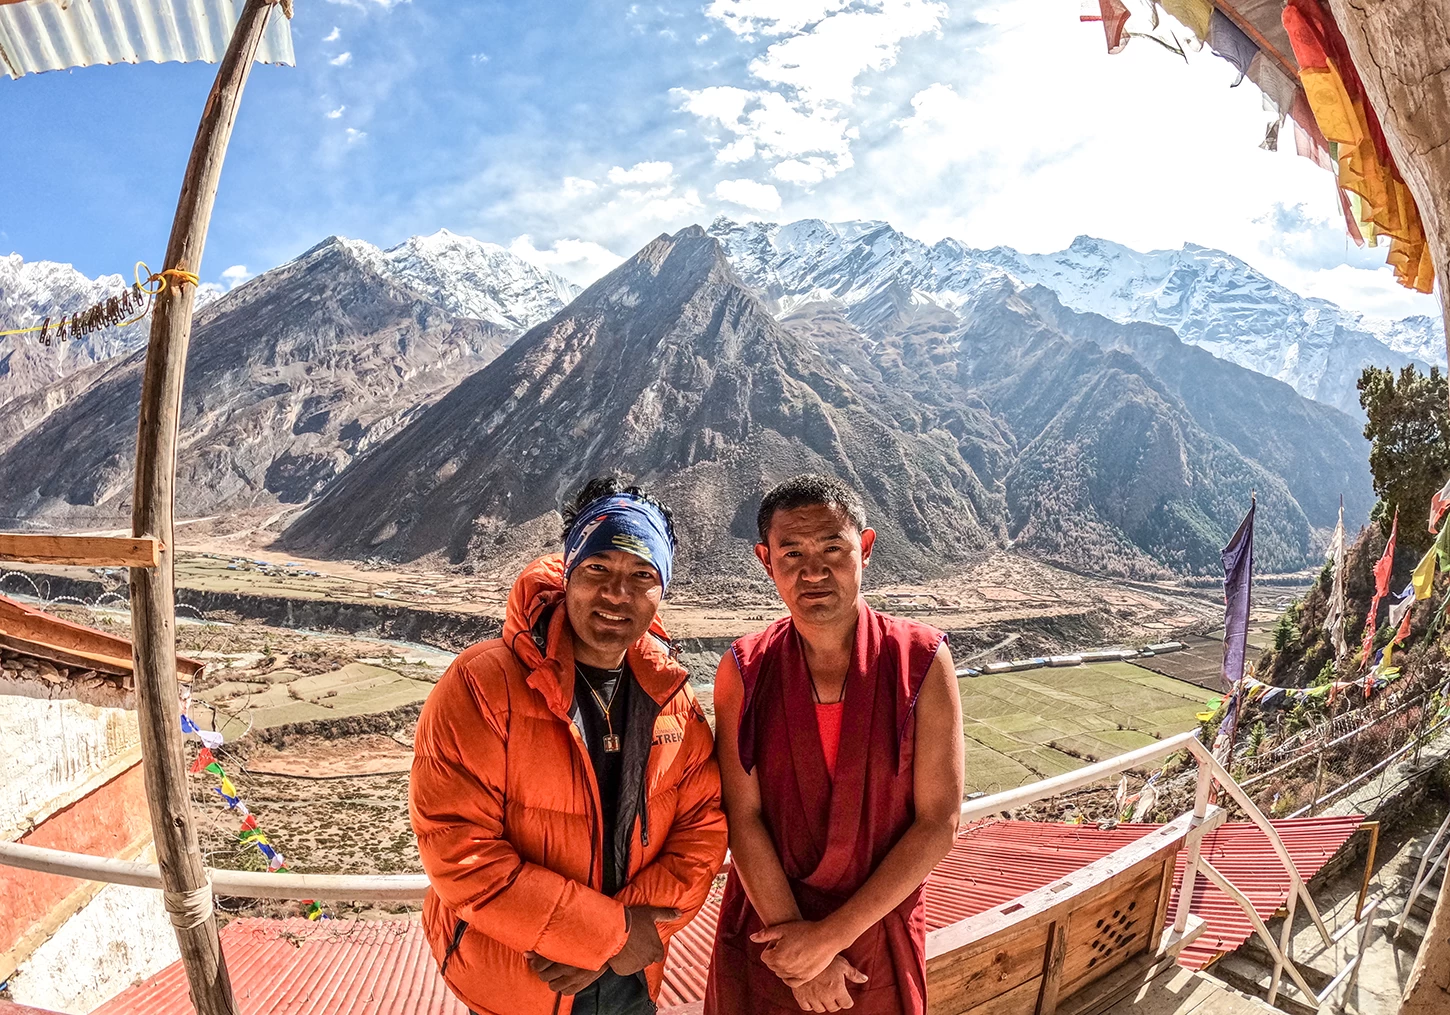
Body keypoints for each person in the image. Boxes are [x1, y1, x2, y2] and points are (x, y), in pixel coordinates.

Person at [411, 478, 727, 1015]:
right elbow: (457, 848)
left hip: (632, 982)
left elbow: (702, 829)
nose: (615, 594)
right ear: (569, 574)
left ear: (662, 590)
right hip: (519, 983)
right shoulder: (481, 686)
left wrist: (616, 940)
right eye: (597, 569)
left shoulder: (671, 697)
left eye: (641, 576)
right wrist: (607, 935)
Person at [705, 474, 965, 1015]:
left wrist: (828, 940)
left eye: (832, 548)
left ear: (865, 549)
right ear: (764, 560)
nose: (813, 571)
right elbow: (743, 814)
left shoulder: (921, 661)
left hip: (875, 927)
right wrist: (798, 948)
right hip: (770, 933)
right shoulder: (744, 669)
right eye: (791, 552)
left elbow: (938, 820)